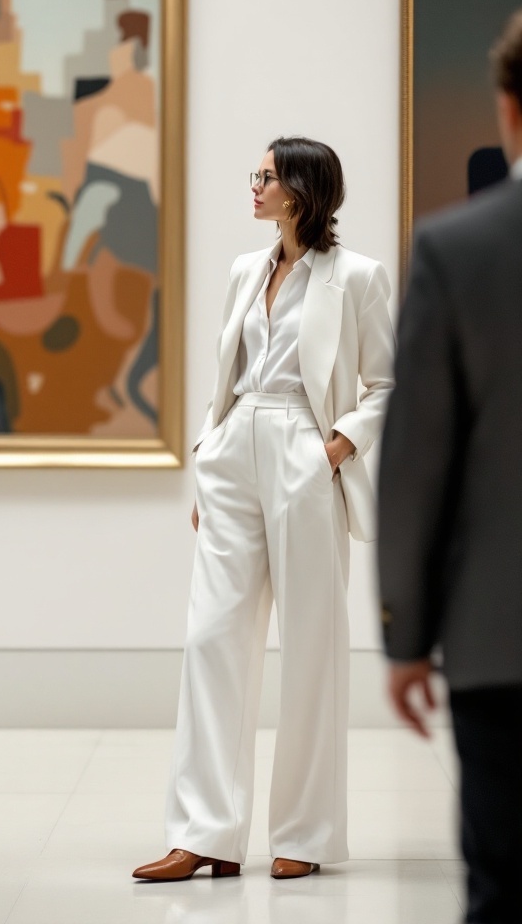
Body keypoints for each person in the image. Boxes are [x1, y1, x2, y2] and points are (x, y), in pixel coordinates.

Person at [133, 135, 394, 882]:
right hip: (236, 450)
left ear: (302, 191)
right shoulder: (247, 270)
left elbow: (385, 383)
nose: (255, 187)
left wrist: (334, 449)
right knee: (213, 638)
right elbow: (230, 373)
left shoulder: (358, 277)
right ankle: (205, 832)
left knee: (311, 644)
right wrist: (210, 459)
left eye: (268, 177)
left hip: (303, 453)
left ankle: (304, 833)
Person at [377, 11, 522, 924]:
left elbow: (417, 464)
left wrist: (405, 635)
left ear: (509, 110)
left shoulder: (459, 251)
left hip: (503, 641)